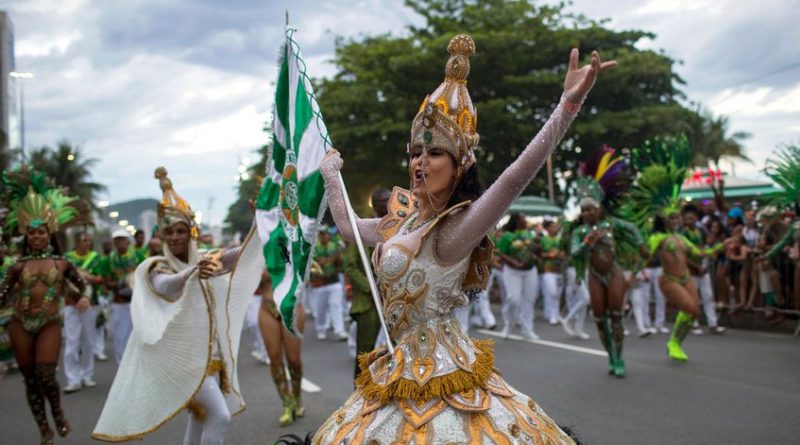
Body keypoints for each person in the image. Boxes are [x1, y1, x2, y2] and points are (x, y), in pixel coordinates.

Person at [313, 34, 613, 444]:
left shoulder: (457, 227)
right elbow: (348, 227)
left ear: (458, 166)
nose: (421, 162)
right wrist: (331, 176)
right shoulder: (400, 220)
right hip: (397, 364)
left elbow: (512, 180)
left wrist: (568, 106)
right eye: (416, 151)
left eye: (434, 153)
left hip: (446, 367)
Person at [93, 167, 263, 443]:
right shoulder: (155, 267)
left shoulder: (207, 258)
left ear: (191, 232)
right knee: (219, 417)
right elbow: (166, 285)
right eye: (169, 232)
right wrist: (192, 272)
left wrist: (258, 225)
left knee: (200, 419)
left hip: (208, 358)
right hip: (182, 361)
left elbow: (239, 256)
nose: (174, 237)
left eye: (180, 231)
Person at [0, 166, 89, 444]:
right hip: (20, 324)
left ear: (50, 234)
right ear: (26, 235)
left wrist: (82, 296)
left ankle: (58, 413)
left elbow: (80, 285)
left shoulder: (62, 263)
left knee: (46, 375)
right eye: (32, 233)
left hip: (49, 322)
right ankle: (43, 428)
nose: (37, 237)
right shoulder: (17, 267)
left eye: (42, 233)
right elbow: (2, 294)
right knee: (29, 379)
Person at [628, 135, 712, 362]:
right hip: (669, 279)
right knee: (690, 309)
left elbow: (701, 253)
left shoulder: (682, 238)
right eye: (673, 217)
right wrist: (636, 271)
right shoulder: (658, 237)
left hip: (687, 277)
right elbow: (644, 252)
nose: (677, 219)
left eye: (678, 216)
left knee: (693, 312)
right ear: (666, 219)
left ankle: (675, 342)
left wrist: (725, 245)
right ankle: (673, 341)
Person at [570, 146, 642, 378]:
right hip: (594, 275)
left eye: (591, 209)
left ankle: (620, 357)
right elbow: (574, 254)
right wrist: (588, 243)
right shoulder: (580, 232)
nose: (588, 213)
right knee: (600, 319)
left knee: (616, 315)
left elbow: (632, 229)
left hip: (614, 272)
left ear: (599, 208)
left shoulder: (611, 224)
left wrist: (640, 244)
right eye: (584, 210)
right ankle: (610, 354)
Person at [344, 188, 390, 380]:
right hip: (369, 302)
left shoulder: (401, 227)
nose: (386, 204)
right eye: (381, 202)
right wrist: (370, 287)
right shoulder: (362, 229)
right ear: (374, 204)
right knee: (365, 354)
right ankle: (359, 397)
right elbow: (350, 266)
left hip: (395, 301)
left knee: (399, 350)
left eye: (389, 200)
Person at [257, 271, 306, 426]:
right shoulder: (255, 253)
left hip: (291, 306)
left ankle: (297, 396)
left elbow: (310, 270)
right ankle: (287, 404)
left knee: (294, 360)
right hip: (267, 308)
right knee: (274, 359)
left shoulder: (293, 246)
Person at [62, 231, 105, 392]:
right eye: (84, 240)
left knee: (88, 339)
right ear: (76, 242)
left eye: (89, 240)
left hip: (89, 302)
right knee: (72, 341)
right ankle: (73, 379)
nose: (87, 243)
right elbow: (62, 279)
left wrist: (87, 277)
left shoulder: (95, 258)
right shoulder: (67, 258)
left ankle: (87, 375)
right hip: (70, 303)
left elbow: (100, 279)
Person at [102, 229, 145, 363]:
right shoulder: (109, 260)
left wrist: (134, 282)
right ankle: (121, 365)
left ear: (128, 241)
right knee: (120, 336)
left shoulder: (138, 255)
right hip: (119, 302)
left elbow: (146, 274)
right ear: (114, 243)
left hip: (137, 302)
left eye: (123, 239)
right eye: (117, 240)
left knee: (139, 335)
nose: (120, 242)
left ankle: (137, 366)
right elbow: (107, 283)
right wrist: (121, 284)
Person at [682, 205, 726, 334]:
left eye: (691, 218)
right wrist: (696, 267)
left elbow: (706, 246)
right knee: (693, 298)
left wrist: (705, 263)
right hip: (691, 270)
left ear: (696, 218)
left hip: (703, 267)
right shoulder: (683, 234)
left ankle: (713, 324)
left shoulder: (700, 231)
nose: (689, 221)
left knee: (708, 296)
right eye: (687, 219)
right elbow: (684, 255)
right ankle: (693, 323)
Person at [496, 212, 539, 340]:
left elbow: (535, 249)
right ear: (516, 221)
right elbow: (500, 253)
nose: (526, 220)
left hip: (530, 271)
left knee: (529, 301)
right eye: (523, 218)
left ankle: (527, 329)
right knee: (513, 299)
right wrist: (512, 261)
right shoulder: (507, 236)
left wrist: (536, 244)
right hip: (512, 272)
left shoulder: (529, 233)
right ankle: (508, 325)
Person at [309, 227, 348, 341]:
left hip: (334, 281)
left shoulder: (335, 246)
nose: (324, 236)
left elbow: (341, 263)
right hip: (319, 284)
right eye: (321, 234)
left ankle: (339, 330)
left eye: (326, 234)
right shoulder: (313, 248)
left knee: (336, 306)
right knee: (321, 309)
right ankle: (321, 328)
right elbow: (309, 265)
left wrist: (339, 261)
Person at [560, 219, 591, 339]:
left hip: (585, 269)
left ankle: (579, 329)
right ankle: (568, 319)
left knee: (583, 299)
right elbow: (566, 253)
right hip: (574, 269)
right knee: (586, 298)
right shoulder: (571, 238)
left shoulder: (585, 236)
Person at [540, 219, 563, 325]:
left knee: (557, 294)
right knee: (552, 293)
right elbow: (540, 254)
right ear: (547, 228)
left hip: (559, 270)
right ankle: (552, 315)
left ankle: (556, 314)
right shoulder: (544, 239)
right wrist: (550, 255)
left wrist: (562, 255)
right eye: (553, 227)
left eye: (556, 226)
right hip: (548, 270)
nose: (556, 228)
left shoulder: (560, 240)